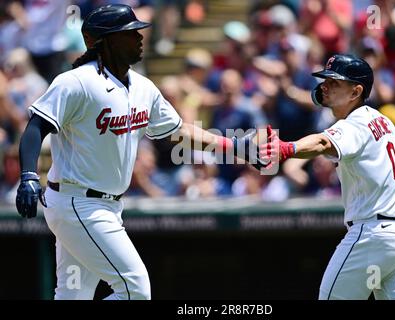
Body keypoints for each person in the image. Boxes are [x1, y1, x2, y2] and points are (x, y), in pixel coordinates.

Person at [15, 4, 266, 300]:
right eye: (130, 33)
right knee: (135, 289)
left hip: (101, 205)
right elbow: (36, 127)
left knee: (72, 296)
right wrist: (29, 175)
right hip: (78, 204)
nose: (140, 37)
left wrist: (234, 146)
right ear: (105, 42)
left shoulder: (143, 87)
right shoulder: (76, 82)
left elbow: (180, 131)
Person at [260, 54, 395, 300]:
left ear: (355, 92)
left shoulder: (355, 123)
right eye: (325, 81)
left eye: (335, 82)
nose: (325, 87)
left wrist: (287, 148)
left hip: (372, 237)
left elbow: (321, 141)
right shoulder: (383, 120)